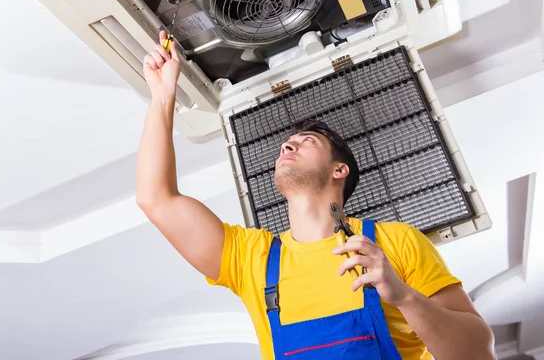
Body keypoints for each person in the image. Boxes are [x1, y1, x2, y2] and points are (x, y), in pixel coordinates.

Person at [136, 31, 496, 360]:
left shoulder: (396, 242)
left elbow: (477, 353)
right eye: (286, 144)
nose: (288, 145)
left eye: (307, 141)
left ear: (340, 170)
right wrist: (163, 93)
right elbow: (155, 199)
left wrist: (403, 296)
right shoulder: (251, 259)